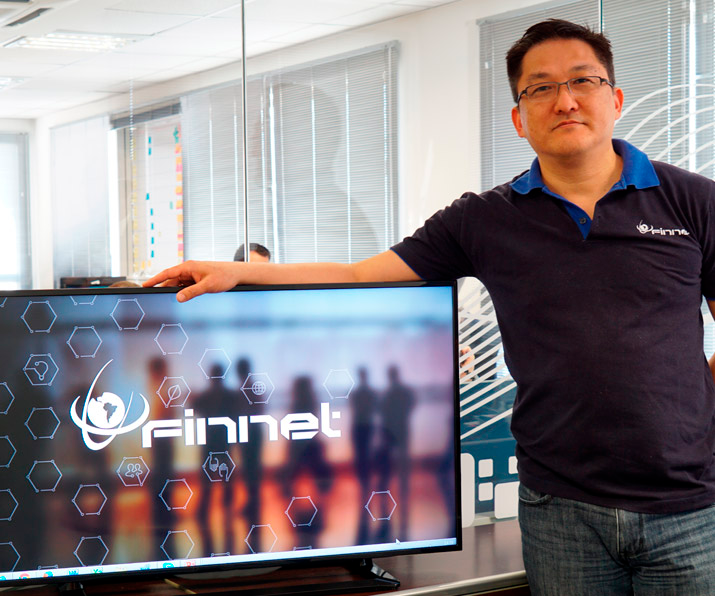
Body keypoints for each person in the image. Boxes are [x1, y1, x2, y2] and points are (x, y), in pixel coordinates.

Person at [144, 18, 715, 594]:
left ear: (614, 99)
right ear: (519, 119)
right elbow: (362, 274)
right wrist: (240, 272)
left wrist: (687, 420)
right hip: (561, 510)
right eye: (540, 88)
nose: (565, 100)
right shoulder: (485, 220)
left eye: (582, 81)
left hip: (688, 509)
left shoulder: (692, 201)